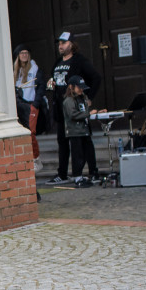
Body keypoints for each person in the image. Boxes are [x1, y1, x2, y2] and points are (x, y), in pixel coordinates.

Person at [46, 32, 102, 184]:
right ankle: (62, 173)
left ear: (72, 44)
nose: (61, 46)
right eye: (59, 43)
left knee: (83, 140)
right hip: (61, 106)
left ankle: (92, 171)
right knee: (62, 141)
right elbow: (55, 79)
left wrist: (88, 97)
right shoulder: (58, 62)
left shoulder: (80, 61)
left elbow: (96, 78)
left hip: (76, 106)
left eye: (64, 43)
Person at [63, 75, 100, 187]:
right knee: (77, 154)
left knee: (89, 152)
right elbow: (73, 114)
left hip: (85, 131)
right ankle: (77, 176)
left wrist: (95, 113)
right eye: (79, 88)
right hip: (75, 132)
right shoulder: (68, 100)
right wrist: (89, 113)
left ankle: (92, 172)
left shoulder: (82, 98)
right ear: (71, 87)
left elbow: (85, 111)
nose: (81, 90)